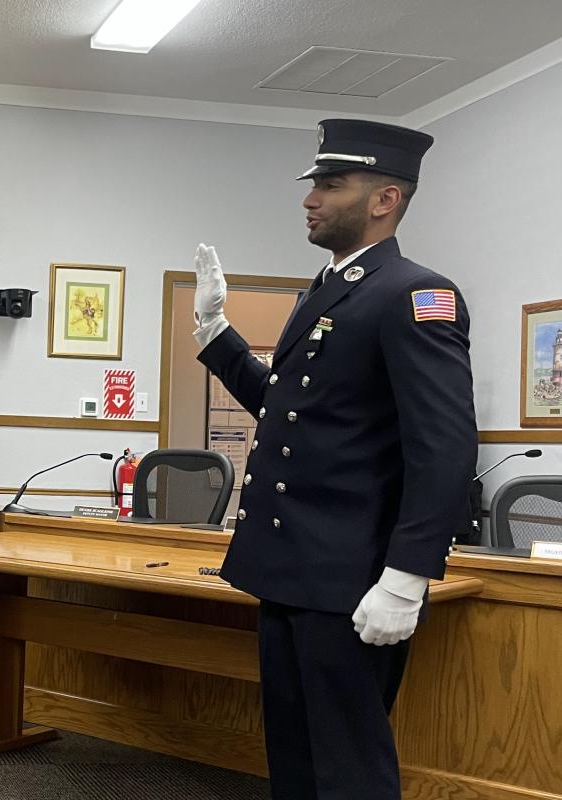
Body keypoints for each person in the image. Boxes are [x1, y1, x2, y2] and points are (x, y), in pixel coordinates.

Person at [191, 119, 477, 799]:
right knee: (294, 760)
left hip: (353, 579)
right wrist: (216, 331)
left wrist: (406, 577)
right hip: (291, 570)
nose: (310, 198)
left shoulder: (414, 294)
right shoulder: (326, 290)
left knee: (349, 770)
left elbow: (443, 447)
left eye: (331, 184)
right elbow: (291, 411)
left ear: (384, 199)